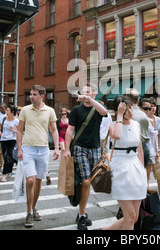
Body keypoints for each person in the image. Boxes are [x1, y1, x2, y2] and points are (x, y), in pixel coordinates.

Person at [64, 83, 107, 230]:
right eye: (83, 92)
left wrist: (90, 99)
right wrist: (66, 149)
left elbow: (104, 112)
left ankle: (81, 211)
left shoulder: (98, 108)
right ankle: (82, 215)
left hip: (95, 148)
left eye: (88, 92)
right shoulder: (76, 110)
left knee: (91, 183)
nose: (85, 94)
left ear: (94, 93)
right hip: (80, 148)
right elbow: (70, 130)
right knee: (86, 182)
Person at [17, 85, 60, 228]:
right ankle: (29, 212)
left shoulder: (50, 111)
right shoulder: (25, 110)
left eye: (34, 94)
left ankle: (34, 208)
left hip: (43, 150)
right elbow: (19, 130)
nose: (31, 96)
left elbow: (54, 130)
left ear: (42, 96)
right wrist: (19, 149)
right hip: (28, 148)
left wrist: (57, 148)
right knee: (30, 181)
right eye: (30, 94)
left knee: (38, 181)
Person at [104, 96, 147, 230]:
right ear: (119, 110)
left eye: (130, 107)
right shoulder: (113, 126)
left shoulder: (136, 124)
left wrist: (143, 170)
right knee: (129, 216)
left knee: (134, 218)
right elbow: (117, 136)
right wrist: (119, 116)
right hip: (120, 168)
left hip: (135, 167)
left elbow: (139, 149)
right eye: (126, 108)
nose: (130, 111)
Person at [125, 88, 150, 167]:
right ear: (138, 100)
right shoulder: (144, 115)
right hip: (145, 148)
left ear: (127, 99)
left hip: (134, 149)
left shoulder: (127, 115)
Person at [0, 105, 19, 182]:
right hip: (3, 139)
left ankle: (4, 174)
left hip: (11, 140)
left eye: (8, 111)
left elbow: (18, 132)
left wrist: (13, 130)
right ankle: (9, 171)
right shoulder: (4, 119)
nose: (6, 112)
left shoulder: (16, 121)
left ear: (12, 112)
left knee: (8, 156)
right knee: (6, 156)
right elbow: (0, 128)